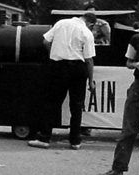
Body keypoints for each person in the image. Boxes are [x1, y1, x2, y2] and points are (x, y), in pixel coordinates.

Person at [28, 12, 97, 150]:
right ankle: (75, 140)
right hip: (78, 68)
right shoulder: (86, 32)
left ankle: (45, 137)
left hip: (58, 66)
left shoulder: (60, 23)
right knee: (76, 106)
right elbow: (89, 60)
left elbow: (45, 41)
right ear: (91, 23)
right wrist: (91, 80)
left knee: (52, 103)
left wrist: (53, 53)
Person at [95, 27, 139, 175]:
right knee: (128, 130)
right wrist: (137, 65)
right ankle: (117, 169)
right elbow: (128, 63)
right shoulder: (137, 39)